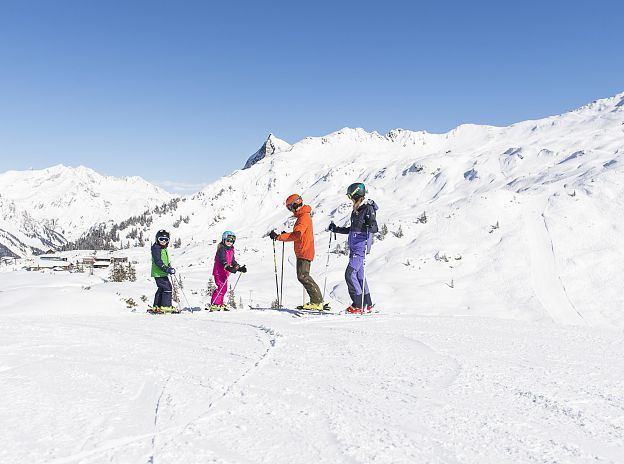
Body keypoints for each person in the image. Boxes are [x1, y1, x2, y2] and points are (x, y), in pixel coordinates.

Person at [329, 182, 379, 313]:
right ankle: (367, 304)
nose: (350, 199)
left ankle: (357, 305)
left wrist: (371, 225)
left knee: (349, 274)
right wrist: (336, 229)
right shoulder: (357, 210)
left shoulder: (368, 208)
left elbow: (374, 227)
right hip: (354, 248)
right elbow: (352, 230)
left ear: (356, 195)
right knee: (360, 277)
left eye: (351, 197)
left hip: (359, 248)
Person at [269, 194, 324, 310]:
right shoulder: (303, 216)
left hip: (304, 250)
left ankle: (317, 301)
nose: (290, 210)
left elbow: (297, 235)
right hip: (303, 250)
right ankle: (316, 301)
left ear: (295, 204)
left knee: (303, 276)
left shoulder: (304, 217)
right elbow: (299, 233)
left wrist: (279, 237)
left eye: (290, 207)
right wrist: (284, 235)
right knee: (303, 276)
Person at [210, 230, 247, 311]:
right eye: (228, 240)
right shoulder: (221, 249)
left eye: (232, 241)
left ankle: (219, 303)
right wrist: (227, 267)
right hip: (219, 271)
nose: (230, 242)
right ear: (223, 240)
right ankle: (215, 304)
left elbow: (233, 261)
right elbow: (222, 259)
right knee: (221, 287)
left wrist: (238, 267)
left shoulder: (231, 250)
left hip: (225, 272)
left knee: (224, 288)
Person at [151, 229, 176, 312]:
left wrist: (168, 265)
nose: (163, 241)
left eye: (166, 239)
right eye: (161, 239)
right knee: (167, 288)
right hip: (159, 272)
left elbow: (164, 260)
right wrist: (166, 268)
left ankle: (157, 305)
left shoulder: (162, 248)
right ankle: (166, 306)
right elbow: (158, 261)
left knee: (161, 288)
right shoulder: (156, 248)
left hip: (161, 272)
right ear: (157, 239)